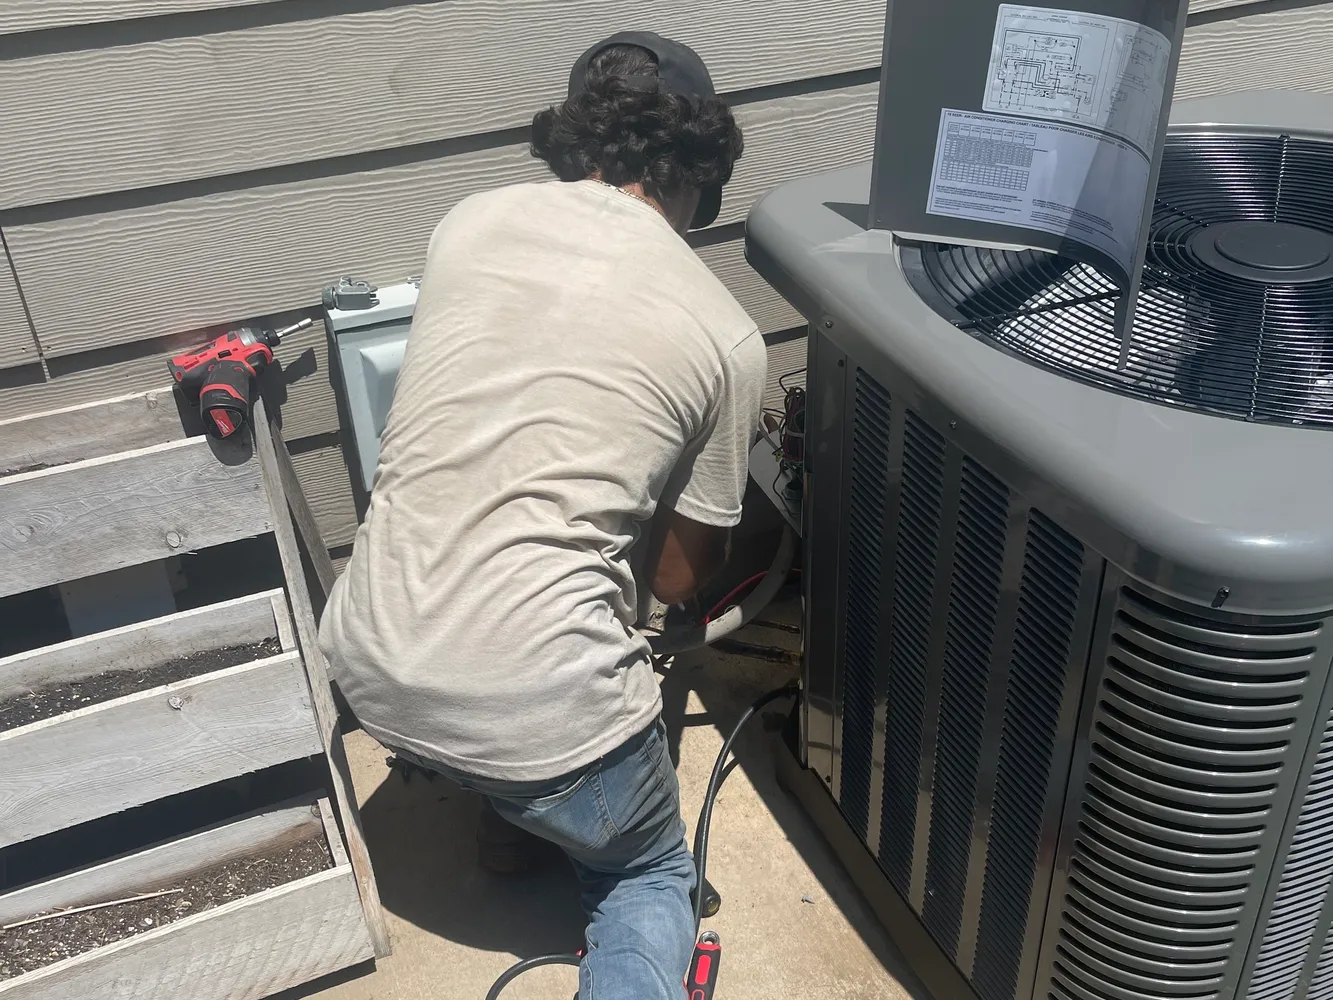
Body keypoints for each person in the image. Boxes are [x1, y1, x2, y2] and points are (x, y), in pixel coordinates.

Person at [317, 30, 766, 1000]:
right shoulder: (722, 333)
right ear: (703, 171)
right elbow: (676, 585)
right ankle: (549, 812)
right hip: (535, 712)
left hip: (369, 657)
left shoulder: (468, 223)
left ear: (574, 143)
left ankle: (511, 821)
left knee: (508, 696)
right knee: (645, 873)